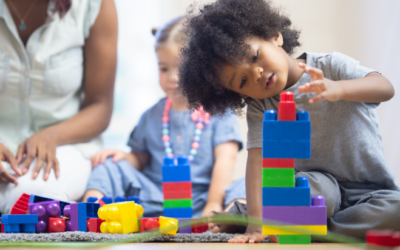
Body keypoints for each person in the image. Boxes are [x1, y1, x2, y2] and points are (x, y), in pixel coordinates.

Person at [178, 0, 400, 243]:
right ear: (240, 94)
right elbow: (257, 162)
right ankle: (275, 221)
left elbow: (385, 88)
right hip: (313, 188)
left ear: (275, 36)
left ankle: (306, 229)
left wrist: (340, 88)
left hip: (370, 192)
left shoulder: (331, 67)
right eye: (242, 82)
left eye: (254, 56)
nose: (256, 74)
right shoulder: (261, 107)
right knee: (303, 193)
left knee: (395, 212)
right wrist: (255, 224)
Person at [83, 17, 246, 218]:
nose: (172, 77)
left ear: (204, 67)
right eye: (164, 68)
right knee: (108, 166)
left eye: (182, 68)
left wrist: (212, 203)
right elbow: (140, 158)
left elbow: (225, 161)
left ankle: (226, 219)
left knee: (250, 183)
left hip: (203, 200)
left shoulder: (220, 112)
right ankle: (89, 214)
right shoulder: (152, 115)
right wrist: (124, 158)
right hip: (156, 199)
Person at [0, 0, 117, 214]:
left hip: (65, 145)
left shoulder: (94, 6)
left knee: (34, 199)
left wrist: (53, 135)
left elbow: (100, 106)